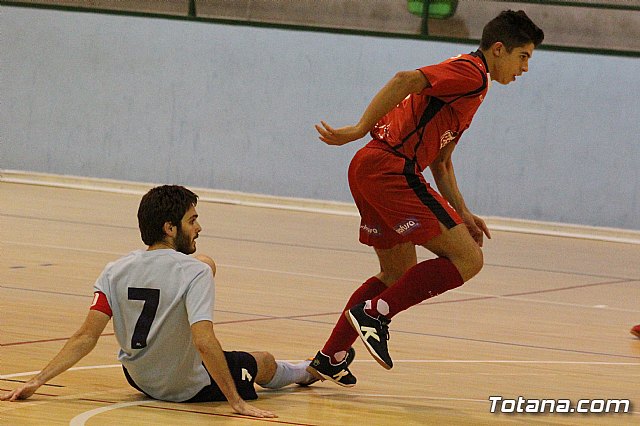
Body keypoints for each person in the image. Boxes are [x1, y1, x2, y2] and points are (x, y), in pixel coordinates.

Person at [306, 10, 544, 386]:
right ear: (499, 49)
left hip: (370, 168)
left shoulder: (472, 85)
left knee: (395, 273)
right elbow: (405, 79)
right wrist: (359, 128)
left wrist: (463, 211)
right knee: (469, 258)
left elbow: (442, 161)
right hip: (391, 169)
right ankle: (376, 314)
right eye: (524, 56)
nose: (526, 68)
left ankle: (330, 356)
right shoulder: (471, 74)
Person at [1, 185, 316, 418]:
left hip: (140, 377)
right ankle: (307, 371)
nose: (199, 227)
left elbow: (86, 336)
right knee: (264, 361)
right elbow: (205, 342)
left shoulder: (114, 270)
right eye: (192, 220)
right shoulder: (194, 274)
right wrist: (235, 401)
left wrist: (36, 381)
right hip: (188, 387)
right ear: (170, 227)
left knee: (205, 262)